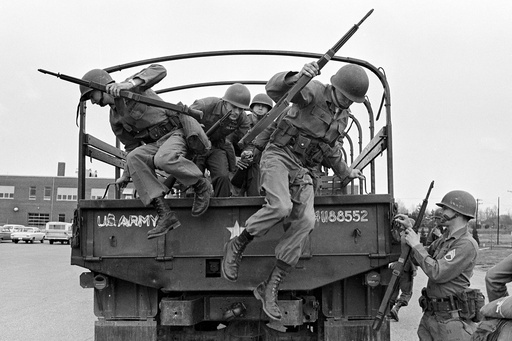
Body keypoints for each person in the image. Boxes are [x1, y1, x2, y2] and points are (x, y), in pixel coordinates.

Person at [221, 62, 368, 321]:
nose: (348, 103)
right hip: (278, 156)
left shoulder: (342, 116)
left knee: (307, 221)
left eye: (352, 101)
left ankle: (270, 286)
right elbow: (276, 90)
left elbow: (330, 149)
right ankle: (238, 243)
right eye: (346, 97)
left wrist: (345, 172)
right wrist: (296, 78)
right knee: (281, 207)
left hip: (302, 168)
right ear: (335, 87)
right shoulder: (312, 91)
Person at [79, 65, 211, 239]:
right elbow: (131, 147)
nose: (93, 102)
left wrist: (129, 84)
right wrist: (127, 174)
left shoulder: (132, 86)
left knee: (163, 159)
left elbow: (160, 70)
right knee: (135, 157)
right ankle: (165, 214)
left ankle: (201, 185)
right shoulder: (115, 119)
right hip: (156, 144)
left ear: (100, 86)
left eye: (91, 96)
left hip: (175, 133)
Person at [395, 190, 480, 341]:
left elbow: (437, 272)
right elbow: (421, 259)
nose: (441, 212)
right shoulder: (445, 239)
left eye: (445, 209)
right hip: (432, 316)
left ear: (458, 212)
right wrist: (409, 231)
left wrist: (416, 245)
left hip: (451, 322)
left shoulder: (466, 244)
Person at [190, 83, 252, 197]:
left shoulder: (242, 118)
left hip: (217, 146)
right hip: (195, 146)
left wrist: (246, 152)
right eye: (234, 107)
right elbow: (184, 117)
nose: (237, 112)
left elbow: (247, 139)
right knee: (192, 178)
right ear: (224, 102)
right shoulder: (205, 105)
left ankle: (223, 211)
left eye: (241, 109)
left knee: (223, 176)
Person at [231, 93, 274, 197]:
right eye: (257, 105)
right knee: (234, 194)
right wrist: (234, 159)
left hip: (259, 167)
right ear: (252, 107)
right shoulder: (241, 123)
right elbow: (228, 142)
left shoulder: (271, 127)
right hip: (239, 165)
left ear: (268, 110)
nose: (260, 108)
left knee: (256, 195)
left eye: (264, 106)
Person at [388, 257, 417, 322]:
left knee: (393, 291)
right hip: (405, 269)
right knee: (407, 293)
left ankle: (388, 312)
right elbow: (410, 254)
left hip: (394, 267)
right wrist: (414, 269)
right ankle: (396, 308)